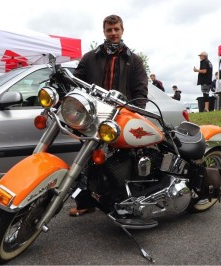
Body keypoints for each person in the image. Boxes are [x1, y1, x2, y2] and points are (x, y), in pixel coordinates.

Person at [69, 14, 148, 217]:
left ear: (122, 31)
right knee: (85, 162)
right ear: (104, 32)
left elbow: (140, 94)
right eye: (109, 30)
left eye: (116, 29)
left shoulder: (134, 61)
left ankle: (122, 203)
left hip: (119, 119)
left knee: (119, 163)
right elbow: (76, 84)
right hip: (93, 119)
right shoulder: (89, 58)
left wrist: (132, 114)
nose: (113, 33)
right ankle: (85, 203)